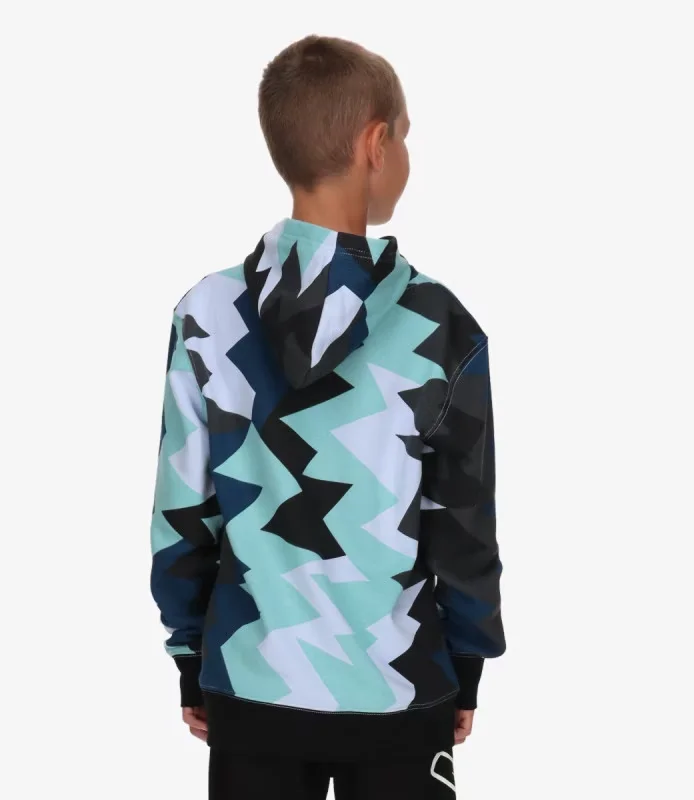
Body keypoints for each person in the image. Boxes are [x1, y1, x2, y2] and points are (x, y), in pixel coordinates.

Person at [149, 34, 505, 800]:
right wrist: (467, 660)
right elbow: (462, 525)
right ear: (376, 145)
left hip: (252, 683)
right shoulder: (440, 327)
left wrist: (190, 654)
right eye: (405, 137)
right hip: (400, 687)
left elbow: (183, 508)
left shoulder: (206, 314)